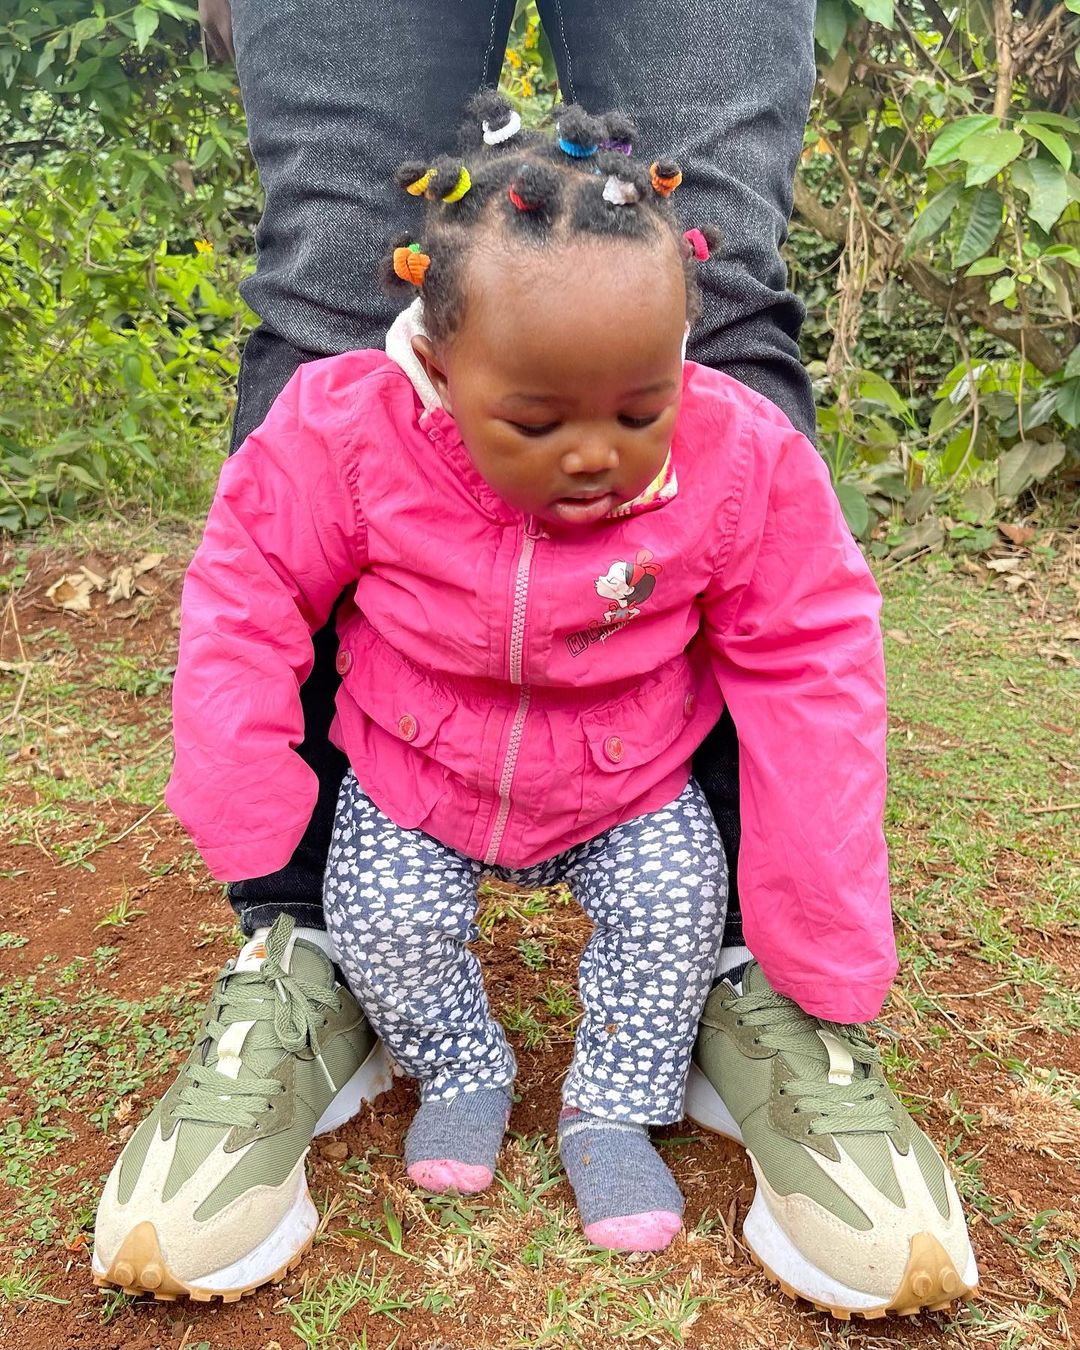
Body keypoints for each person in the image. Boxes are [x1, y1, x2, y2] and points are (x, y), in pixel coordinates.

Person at [93, 99, 977, 1315]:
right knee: (382, 913)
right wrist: (243, 787)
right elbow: (248, 585)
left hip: (628, 786)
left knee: (673, 905)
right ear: (438, 364)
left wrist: (823, 921)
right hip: (416, 778)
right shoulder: (350, 432)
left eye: (639, 410)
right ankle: (455, 1060)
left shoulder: (737, 455)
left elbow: (814, 653)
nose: (595, 455)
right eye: (537, 420)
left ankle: (616, 1103)